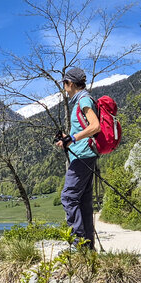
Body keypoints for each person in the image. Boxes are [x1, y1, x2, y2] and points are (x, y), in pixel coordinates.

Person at [55, 67, 101, 250]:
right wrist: (68, 139)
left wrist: (73, 138)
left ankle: (78, 245)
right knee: (82, 201)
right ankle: (88, 248)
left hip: (84, 155)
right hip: (83, 153)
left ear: (70, 83)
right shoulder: (81, 101)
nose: (64, 88)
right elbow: (84, 129)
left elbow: (95, 126)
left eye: (64, 84)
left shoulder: (83, 100)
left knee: (68, 197)